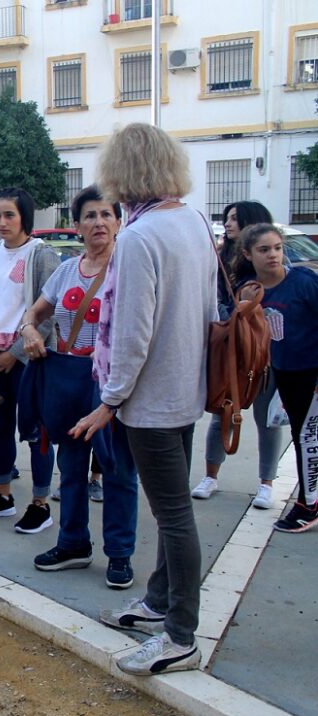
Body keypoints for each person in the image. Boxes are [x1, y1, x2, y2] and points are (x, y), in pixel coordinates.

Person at [72, 123, 218, 676]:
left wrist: (110, 400)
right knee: (172, 508)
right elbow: (208, 309)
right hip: (183, 390)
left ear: (122, 173)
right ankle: (158, 604)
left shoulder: (138, 237)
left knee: (174, 516)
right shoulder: (193, 222)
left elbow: (133, 332)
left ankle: (182, 635)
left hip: (152, 401)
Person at [19, 185, 139, 589]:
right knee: (70, 468)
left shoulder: (131, 269)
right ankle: (73, 543)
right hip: (68, 379)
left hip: (114, 384)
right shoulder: (66, 270)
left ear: (119, 223)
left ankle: (120, 554)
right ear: (76, 225)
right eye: (90, 216)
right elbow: (34, 313)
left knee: (118, 470)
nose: (99, 222)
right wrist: (30, 331)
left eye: (107, 215)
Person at [0, 187, 59, 533]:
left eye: (10, 215)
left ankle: (40, 504)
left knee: (36, 432)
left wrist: (15, 353)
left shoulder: (41, 254)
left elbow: (49, 313)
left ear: (25, 218)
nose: (2, 222)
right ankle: (3, 496)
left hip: (27, 360)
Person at [191, 201, 281, 509]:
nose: (227, 224)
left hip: (268, 356)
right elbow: (216, 301)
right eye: (227, 218)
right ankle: (210, 476)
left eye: (234, 219)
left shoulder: (281, 271)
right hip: (232, 350)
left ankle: (266, 483)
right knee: (224, 411)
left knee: (266, 419)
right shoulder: (224, 261)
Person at [231, 223, 318, 532]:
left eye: (277, 248)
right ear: (247, 254)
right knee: (302, 435)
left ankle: (309, 506)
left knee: (308, 439)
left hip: (310, 372)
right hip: (282, 372)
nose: (273, 255)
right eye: (264, 250)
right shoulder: (249, 289)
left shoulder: (304, 282)